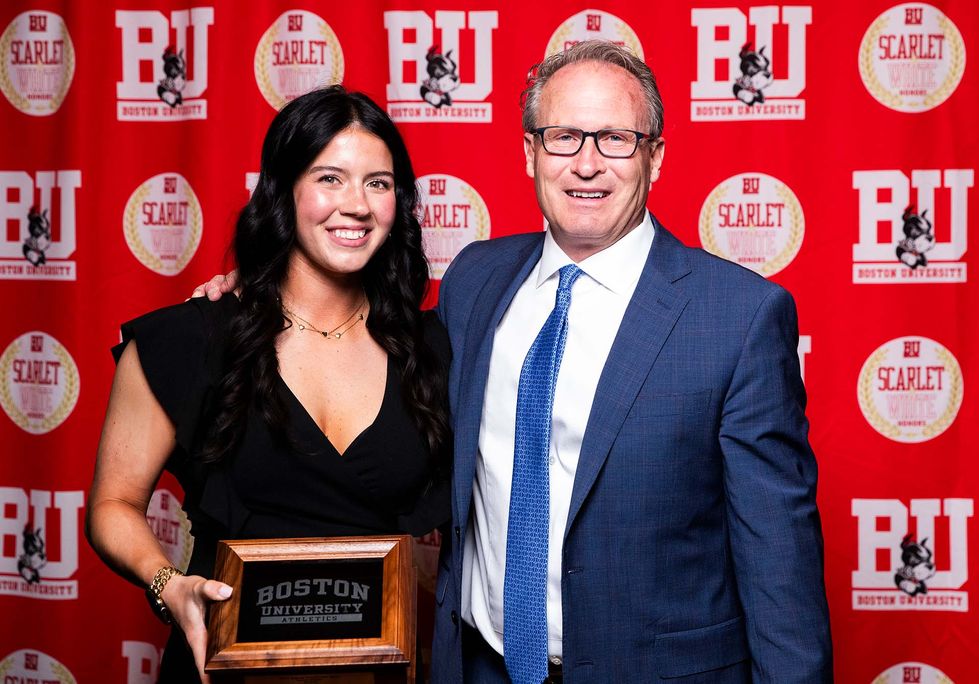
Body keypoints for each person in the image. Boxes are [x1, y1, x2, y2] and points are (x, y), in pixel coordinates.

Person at [199, 41, 833, 683]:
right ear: (529, 152)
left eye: (615, 138)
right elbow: (359, 336)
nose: (587, 165)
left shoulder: (739, 317)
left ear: (656, 157)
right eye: (562, 137)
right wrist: (254, 293)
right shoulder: (476, 281)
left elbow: (779, 560)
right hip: (478, 666)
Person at [86, 86, 451, 684]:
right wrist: (166, 585)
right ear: (283, 191)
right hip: (221, 667)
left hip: (378, 671)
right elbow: (112, 504)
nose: (356, 205)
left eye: (378, 183)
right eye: (329, 178)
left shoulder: (433, 349)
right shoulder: (192, 338)